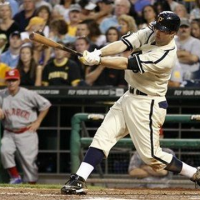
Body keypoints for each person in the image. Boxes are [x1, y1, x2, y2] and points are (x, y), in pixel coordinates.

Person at [60, 11, 200, 195]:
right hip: (129, 96)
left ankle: (195, 174)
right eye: (157, 28)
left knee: (151, 156)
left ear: (173, 33)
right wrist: (98, 52)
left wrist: (99, 61)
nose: (158, 33)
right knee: (103, 136)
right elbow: (123, 44)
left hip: (147, 103)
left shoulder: (165, 56)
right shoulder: (150, 33)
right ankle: (79, 178)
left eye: (163, 30)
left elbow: (125, 63)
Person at [0, 68, 51, 184]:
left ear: (18, 81)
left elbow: (46, 105)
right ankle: (15, 177)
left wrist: (38, 122)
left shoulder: (28, 94)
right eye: (9, 80)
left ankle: (31, 186)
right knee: (4, 151)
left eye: (14, 80)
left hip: (26, 132)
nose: (11, 83)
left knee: (29, 163)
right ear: (6, 82)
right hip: (9, 132)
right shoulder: (2, 94)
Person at [175, 19, 200, 85]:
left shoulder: (196, 42)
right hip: (174, 74)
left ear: (190, 29)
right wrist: (185, 53)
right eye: (181, 27)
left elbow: (193, 59)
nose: (184, 29)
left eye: (186, 27)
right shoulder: (172, 41)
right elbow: (166, 55)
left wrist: (174, 57)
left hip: (191, 75)